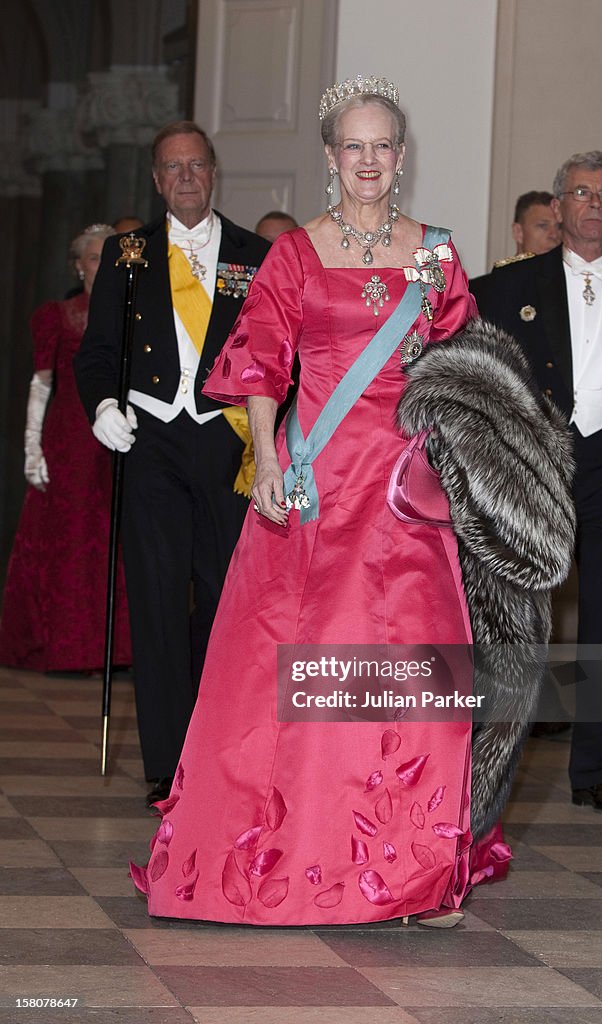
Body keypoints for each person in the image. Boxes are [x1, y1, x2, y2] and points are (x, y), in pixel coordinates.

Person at [130, 76, 573, 928]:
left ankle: (408, 867)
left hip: (411, 488)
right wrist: (264, 454)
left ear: (398, 158)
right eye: (352, 147)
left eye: (382, 146)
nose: (367, 161)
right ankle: (301, 852)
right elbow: (259, 358)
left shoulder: (434, 255)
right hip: (317, 484)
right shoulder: (295, 254)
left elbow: (464, 372)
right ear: (331, 158)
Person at [74, 121, 270, 806]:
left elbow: (280, 357)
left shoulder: (256, 253)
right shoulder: (126, 253)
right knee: (157, 603)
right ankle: (165, 763)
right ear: (156, 180)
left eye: (196, 165)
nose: (185, 177)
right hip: (151, 441)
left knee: (224, 602)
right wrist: (102, 406)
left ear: (213, 172)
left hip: (226, 444)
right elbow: (97, 352)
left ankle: (219, 750)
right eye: (171, 167)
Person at [473, 151, 602, 814]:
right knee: (520, 618)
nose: (593, 204)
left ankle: (593, 770)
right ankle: (495, 758)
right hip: (536, 467)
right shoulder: (505, 286)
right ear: (556, 208)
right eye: (580, 193)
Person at [0, 225, 131, 672]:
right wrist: (31, 450)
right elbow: (41, 385)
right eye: (93, 258)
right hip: (71, 439)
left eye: (108, 256)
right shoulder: (57, 314)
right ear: (79, 265)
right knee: (73, 542)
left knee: (116, 544)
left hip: (123, 439)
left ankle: (114, 651)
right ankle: (69, 649)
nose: (101, 265)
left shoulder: (134, 312)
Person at [471, 190, 561, 306]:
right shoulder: (482, 292)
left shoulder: (564, 289)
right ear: (518, 232)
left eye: (559, 227)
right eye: (543, 226)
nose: (554, 235)